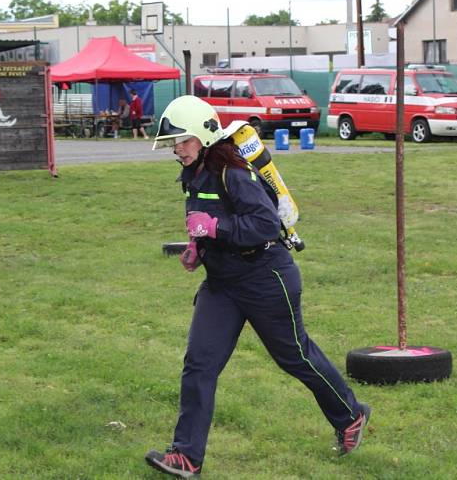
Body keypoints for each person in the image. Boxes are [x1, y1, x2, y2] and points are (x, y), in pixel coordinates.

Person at [145, 96, 370, 478]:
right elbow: (206, 219)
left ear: (203, 135)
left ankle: (350, 414)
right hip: (222, 284)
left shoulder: (234, 173)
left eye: (183, 140)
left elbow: (265, 226)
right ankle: (186, 457)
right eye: (173, 142)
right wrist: (198, 248)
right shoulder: (194, 173)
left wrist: (216, 229)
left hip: (266, 278)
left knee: (295, 357)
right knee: (199, 364)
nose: (177, 148)